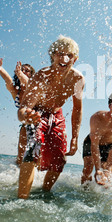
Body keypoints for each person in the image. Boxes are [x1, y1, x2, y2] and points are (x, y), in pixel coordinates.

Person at [17, 35, 85, 199]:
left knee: (59, 161)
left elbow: (77, 109)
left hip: (57, 115)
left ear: (74, 59)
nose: (63, 58)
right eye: (59, 54)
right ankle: (21, 200)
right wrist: (27, 116)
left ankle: (44, 193)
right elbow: (24, 108)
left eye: (68, 54)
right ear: (52, 55)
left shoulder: (77, 79)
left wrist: (75, 137)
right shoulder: (41, 76)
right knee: (32, 151)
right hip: (37, 113)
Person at [81, 94, 112, 186]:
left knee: (106, 175)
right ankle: (84, 191)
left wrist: (106, 169)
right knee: (88, 168)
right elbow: (94, 145)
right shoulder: (97, 117)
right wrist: (97, 169)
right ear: (109, 105)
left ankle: (101, 196)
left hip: (109, 146)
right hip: (92, 142)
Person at [0, 58, 35, 165]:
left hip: (39, 123)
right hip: (25, 124)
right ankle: (15, 178)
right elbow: (8, 81)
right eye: (22, 69)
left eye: (27, 70)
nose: (24, 71)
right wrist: (0, 69)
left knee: (37, 158)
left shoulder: (33, 87)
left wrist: (20, 74)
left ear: (31, 74)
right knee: (20, 159)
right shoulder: (16, 91)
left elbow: (26, 82)